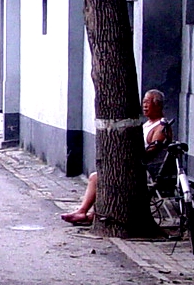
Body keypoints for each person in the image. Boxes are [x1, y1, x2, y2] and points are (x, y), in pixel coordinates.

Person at [61, 89, 171, 225]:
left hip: (140, 168)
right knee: (100, 175)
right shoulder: (147, 124)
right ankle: (90, 214)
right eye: (143, 103)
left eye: (148, 103)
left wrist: (130, 156)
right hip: (131, 164)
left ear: (158, 105)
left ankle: (83, 211)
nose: (144, 106)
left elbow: (152, 151)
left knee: (96, 177)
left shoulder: (161, 126)